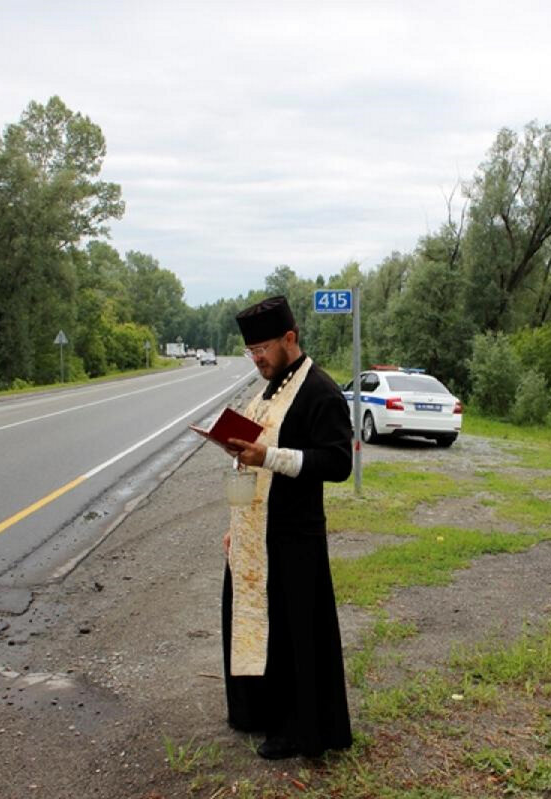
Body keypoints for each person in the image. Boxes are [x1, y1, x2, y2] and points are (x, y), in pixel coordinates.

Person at [220, 295, 354, 760]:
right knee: (260, 626)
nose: (256, 358)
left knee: (294, 633)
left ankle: (300, 729)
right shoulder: (270, 388)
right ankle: (259, 712)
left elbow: (338, 464)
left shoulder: (320, 391)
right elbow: (254, 456)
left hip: (294, 535)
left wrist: (268, 458)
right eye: (250, 350)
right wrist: (235, 526)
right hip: (256, 530)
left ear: (289, 339)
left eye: (262, 348)